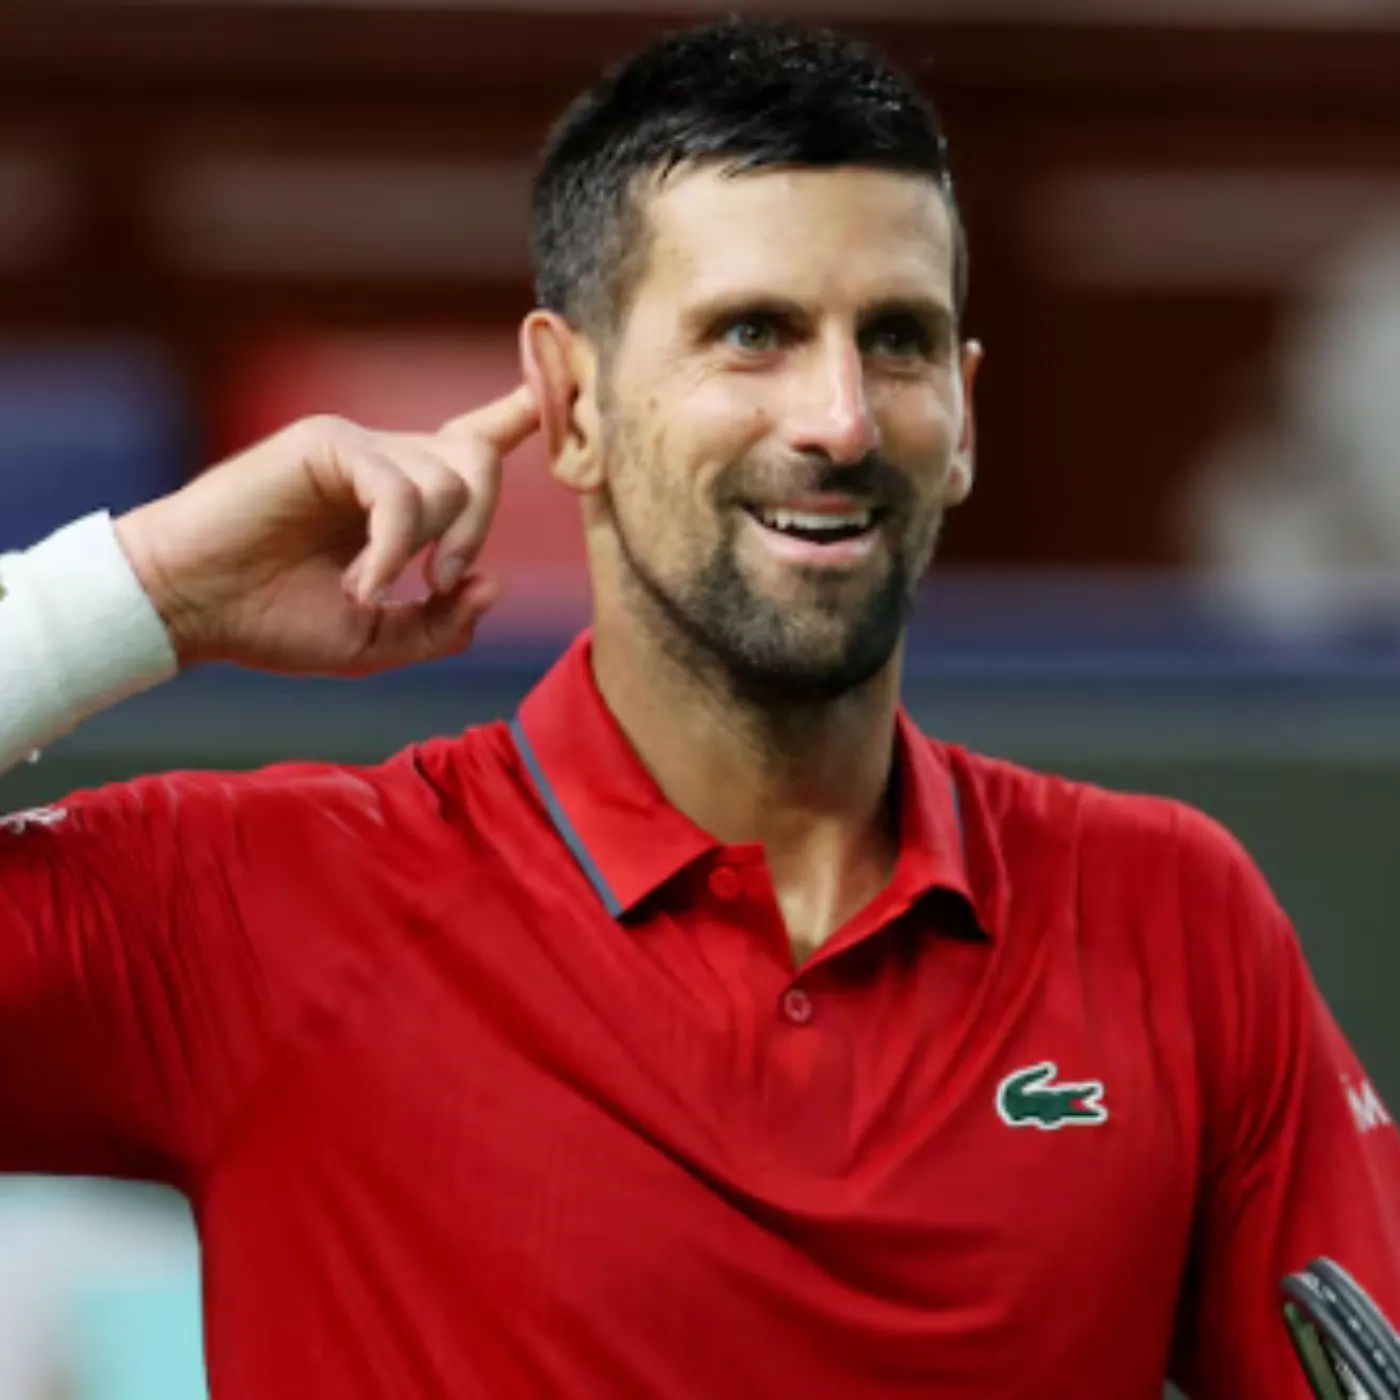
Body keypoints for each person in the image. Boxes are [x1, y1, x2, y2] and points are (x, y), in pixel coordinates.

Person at [0, 16, 1396, 1399]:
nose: (841, 419)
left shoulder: (1175, 921)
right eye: (753, 334)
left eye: (897, 341)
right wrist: (143, 586)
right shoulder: (256, 910)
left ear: (964, 415)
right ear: (571, 406)